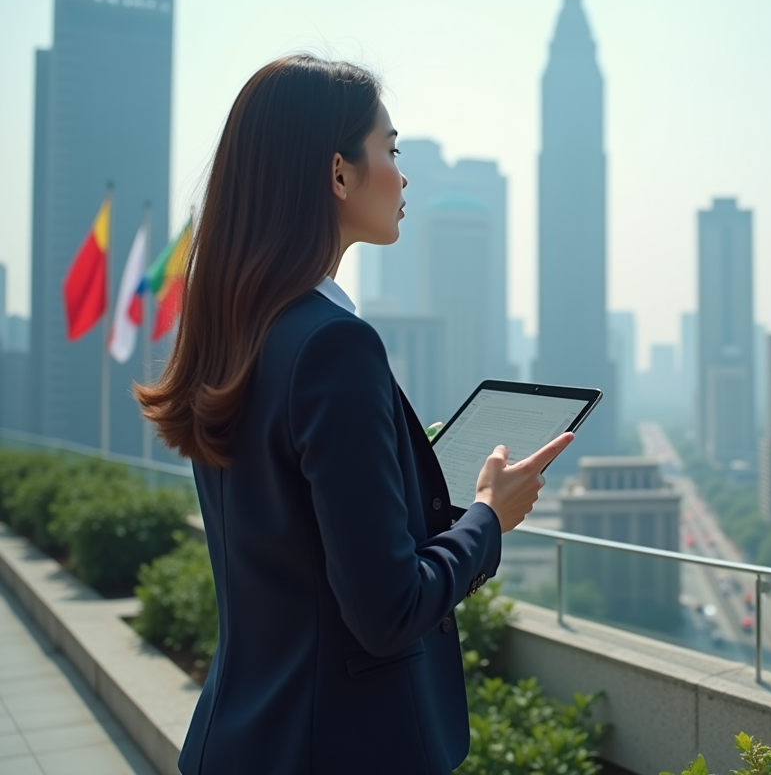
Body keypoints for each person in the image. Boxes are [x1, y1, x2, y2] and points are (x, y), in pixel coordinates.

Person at [135, 54, 572, 774]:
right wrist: (489, 517)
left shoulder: (241, 329)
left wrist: (403, 467)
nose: (402, 176)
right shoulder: (335, 344)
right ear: (339, 174)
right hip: (333, 747)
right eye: (391, 151)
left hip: (239, 737)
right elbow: (388, 609)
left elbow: (289, 526)